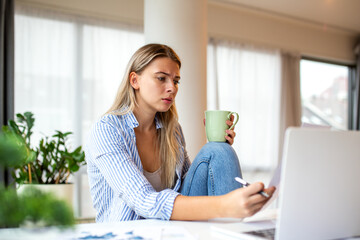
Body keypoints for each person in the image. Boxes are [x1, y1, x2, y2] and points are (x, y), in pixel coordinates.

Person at [85, 43, 275, 222]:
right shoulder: (107, 130)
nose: (172, 88)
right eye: (161, 78)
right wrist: (225, 205)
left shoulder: (172, 130)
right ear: (135, 80)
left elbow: (189, 186)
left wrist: (217, 150)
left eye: (176, 81)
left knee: (218, 151)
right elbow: (143, 200)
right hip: (130, 233)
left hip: (171, 229)